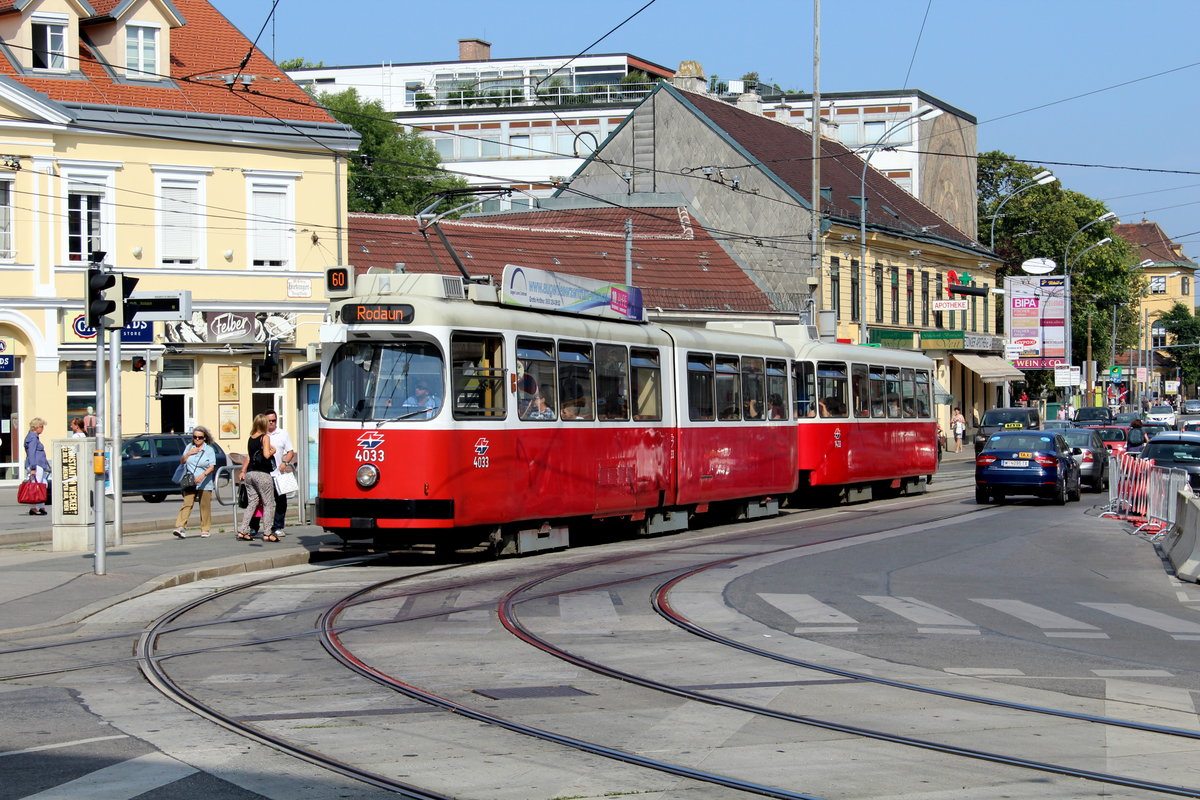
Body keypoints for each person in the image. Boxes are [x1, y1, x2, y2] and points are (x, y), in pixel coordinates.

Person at [248, 409, 296, 539]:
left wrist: (285, 462)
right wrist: (243, 470)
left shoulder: (283, 434)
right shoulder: (260, 436)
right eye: (269, 421)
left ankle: (278, 526)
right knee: (259, 502)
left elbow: (290, 452)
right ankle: (254, 527)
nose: (271, 423)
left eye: (274, 420)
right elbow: (251, 455)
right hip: (262, 474)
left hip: (277, 474)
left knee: (281, 501)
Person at [237, 413, 277, 542]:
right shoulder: (265, 437)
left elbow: (249, 457)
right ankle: (267, 533)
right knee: (268, 503)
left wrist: (243, 470)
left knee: (252, 502)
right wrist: (273, 451)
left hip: (250, 474)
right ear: (264, 424)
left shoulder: (251, 438)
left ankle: (242, 530)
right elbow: (266, 455)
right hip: (262, 474)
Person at [173, 426, 217, 539]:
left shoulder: (209, 450)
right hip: (190, 481)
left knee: (204, 506)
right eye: (195, 437)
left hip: (205, 482)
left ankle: (205, 529)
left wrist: (203, 475)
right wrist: (189, 453)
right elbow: (182, 461)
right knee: (187, 503)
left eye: (200, 437)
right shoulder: (189, 447)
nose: (197, 439)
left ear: (205, 438)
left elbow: (212, 466)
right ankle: (180, 527)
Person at [23, 417, 50, 515]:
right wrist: (33, 467)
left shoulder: (34, 437)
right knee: (35, 486)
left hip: (39, 465)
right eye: (42, 426)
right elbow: (31, 453)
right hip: (36, 465)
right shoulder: (33, 438)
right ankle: (33, 508)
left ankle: (41, 506)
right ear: (37, 427)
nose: (43, 429)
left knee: (42, 484)